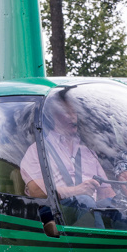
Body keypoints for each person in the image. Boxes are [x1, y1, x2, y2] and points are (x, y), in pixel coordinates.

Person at [20, 97, 115, 228]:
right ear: (53, 116)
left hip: (90, 207)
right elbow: (37, 191)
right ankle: (99, 246)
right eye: (67, 112)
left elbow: (106, 191)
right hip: (54, 210)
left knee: (119, 208)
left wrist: (117, 204)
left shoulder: (87, 151)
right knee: (85, 201)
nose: (73, 117)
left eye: (74, 112)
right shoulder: (37, 150)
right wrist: (77, 190)